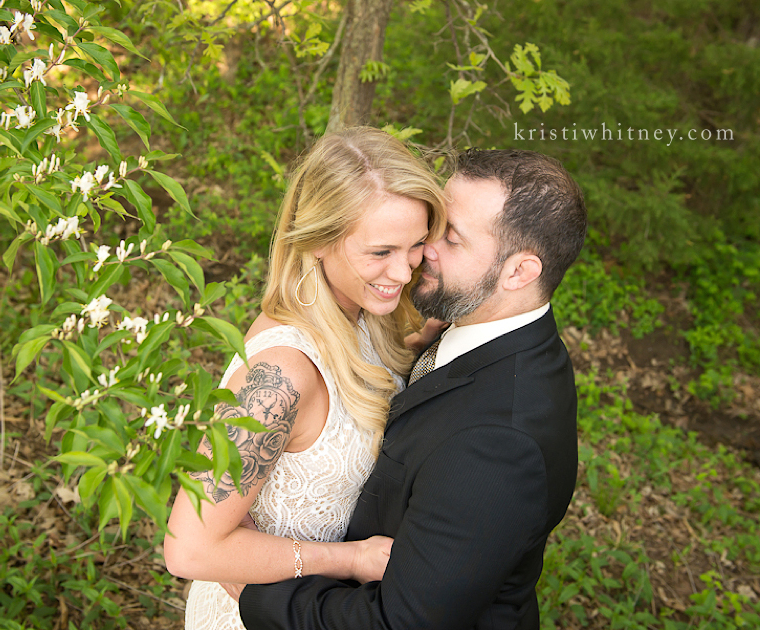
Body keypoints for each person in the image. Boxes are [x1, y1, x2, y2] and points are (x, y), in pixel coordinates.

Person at [236, 148, 588, 630]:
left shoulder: (499, 444)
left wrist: (251, 590)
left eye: (451, 236)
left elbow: (397, 623)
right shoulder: (483, 328)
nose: (423, 249)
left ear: (519, 272)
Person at [163, 127, 448, 630]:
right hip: (262, 616)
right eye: (381, 252)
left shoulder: (367, 314)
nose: (404, 273)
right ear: (317, 240)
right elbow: (190, 548)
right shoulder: (282, 373)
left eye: (416, 246)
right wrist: (350, 561)